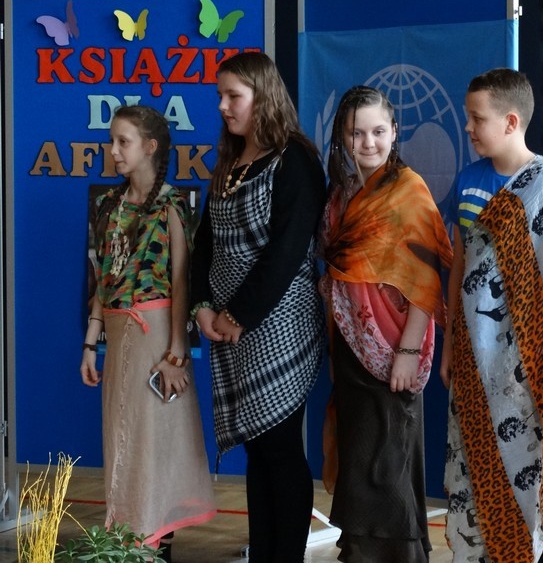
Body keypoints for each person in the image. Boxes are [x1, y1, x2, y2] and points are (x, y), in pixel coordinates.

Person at [440, 68, 543, 563]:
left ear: (511, 122)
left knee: (540, 471)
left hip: (532, 368)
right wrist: (450, 344)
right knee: (480, 467)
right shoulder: (468, 180)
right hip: (476, 359)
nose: (468, 127)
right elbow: (461, 263)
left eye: (477, 118)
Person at [190, 52, 326, 563]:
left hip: (278, 324)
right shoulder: (229, 161)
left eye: (234, 96)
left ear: (263, 97)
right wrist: (203, 306)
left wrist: (239, 315)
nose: (223, 106)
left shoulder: (296, 161)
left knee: (280, 446)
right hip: (230, 327)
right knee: (256, 446)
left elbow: (287, 252)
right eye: (220, 96)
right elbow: (205, 243)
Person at [318, 86, 453, 562]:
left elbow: (425, 280)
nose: (368, 142)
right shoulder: (340, 195)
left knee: (389, 464)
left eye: (378, 131)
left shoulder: (408, 190)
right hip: (350, 346)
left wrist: (409, 352)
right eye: (357, 133)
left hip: (395, 349)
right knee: (361, 465)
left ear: (394, 132)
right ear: (343, 136)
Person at [80, 104, 216, 562]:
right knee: (122, 433)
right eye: (112, 142)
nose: (114, 151)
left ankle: (156, 536)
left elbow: (181, 283)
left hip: (156, 332)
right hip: (119, 335)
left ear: (150, 147)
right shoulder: (109, 205)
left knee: (156, 436)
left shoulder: (171, 206)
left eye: (123, 142)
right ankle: (128, 531)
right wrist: (91, 342)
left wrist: (176, 353)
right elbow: (103, 279)